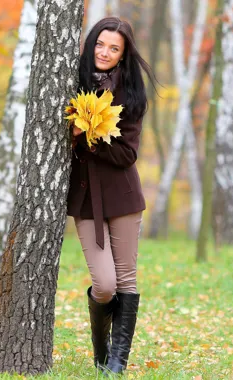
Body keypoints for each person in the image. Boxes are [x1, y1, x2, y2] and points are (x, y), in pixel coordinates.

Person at [66, 17, 155, 374]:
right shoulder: (69, 82)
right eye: (100, 44)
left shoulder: (131, 94)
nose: (105, 52)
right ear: (91, 45)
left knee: (126, 280)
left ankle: (114, 364)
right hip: (86, 198)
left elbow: (126, 155)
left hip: (123, 196)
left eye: (114, 48)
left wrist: (89, 134)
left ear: (123, 55)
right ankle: (101, 351)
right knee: (104, 285)